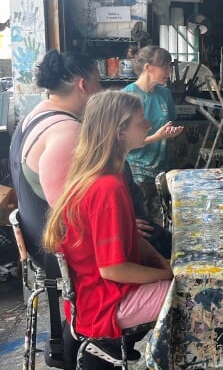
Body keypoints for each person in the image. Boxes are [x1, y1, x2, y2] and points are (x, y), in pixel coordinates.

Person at [43, 91, 173, 354]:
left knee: (185, 280)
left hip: (98, 291)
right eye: (141, 122)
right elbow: (113, 270)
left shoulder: (107, 174)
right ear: (119, 132)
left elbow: (134, 239)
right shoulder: (107, 187)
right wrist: (166, 275)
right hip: (104, 302)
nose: (149, 126)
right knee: (193, 297)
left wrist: (164, 262)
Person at [9, 50, 102, 368]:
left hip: (41, 238)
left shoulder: (35, 115)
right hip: (58, 248)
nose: (100, 91)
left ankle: (73, 338)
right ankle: (96, 344)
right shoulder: (66, 132)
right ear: (83, 85)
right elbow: (77, 216)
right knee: (163, 249)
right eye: (98, 83)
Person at [122, 45, 184, 222]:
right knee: (143, 226)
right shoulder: (127, 96)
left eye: (170, 66)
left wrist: (171, 134)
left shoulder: (164, 94)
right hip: (137, 174)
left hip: (163, 169)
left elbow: (168, 125)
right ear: (148, 68)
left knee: (165, 222)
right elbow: (122, 143)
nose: (169, 71)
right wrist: (158, 136)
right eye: (165, 66)